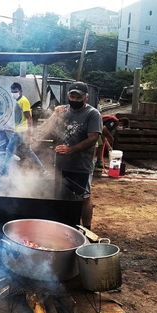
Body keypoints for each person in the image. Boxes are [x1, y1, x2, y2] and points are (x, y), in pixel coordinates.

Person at [39, 82, 103, 229]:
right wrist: (54, 115)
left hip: (81, 164)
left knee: (83, 198)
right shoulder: (62, 111)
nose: (74, 99)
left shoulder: (92, 114)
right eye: (71, 96)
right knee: (61, 195)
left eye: (78, 97)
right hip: (61, 164)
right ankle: (65, 225)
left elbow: (93, 138)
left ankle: (87, 229)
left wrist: (71, 149)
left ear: (85, 98)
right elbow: (48, 130)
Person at [0, 82, 45, 176]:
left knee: (9, 150)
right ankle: (42, 170)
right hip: (20, 130)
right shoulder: (19, 101)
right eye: (12, 91)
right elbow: (21, 119)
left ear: (20, 91)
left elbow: (29, 118)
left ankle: (4, 172)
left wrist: (30, 134)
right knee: (28, 151)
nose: (13, 93)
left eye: (15, 91)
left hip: (21, 132)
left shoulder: (24, 101)